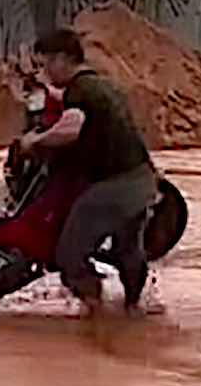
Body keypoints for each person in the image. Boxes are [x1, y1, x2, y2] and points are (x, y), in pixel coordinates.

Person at [21, 28, 158, 314]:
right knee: (128, 250)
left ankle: (97, 316)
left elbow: (71, 129)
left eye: (46, 66)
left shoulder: (79, 90)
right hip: (144, 181)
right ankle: (133, 309)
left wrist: (34, 141)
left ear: (62, 59)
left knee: (69, 254)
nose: (46, 73)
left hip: (114, 187)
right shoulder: (102, 85)